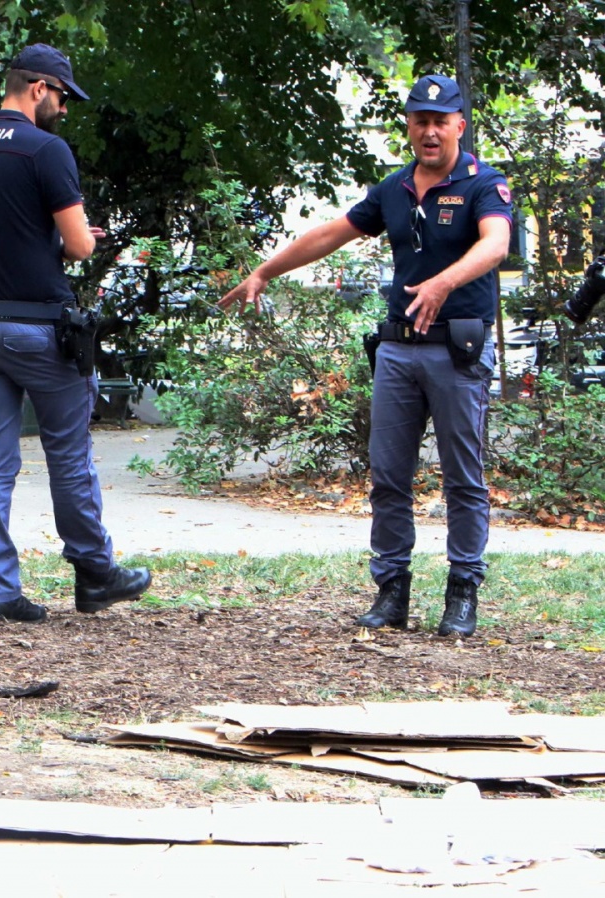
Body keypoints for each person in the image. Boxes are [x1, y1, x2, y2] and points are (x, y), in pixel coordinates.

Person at [219, 74, 513, 637]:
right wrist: (264, 271)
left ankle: (462, 594)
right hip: (399, 353)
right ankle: (392, 592)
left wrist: (442, 284)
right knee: (387, 478)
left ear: (459, 125)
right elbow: (333, 233)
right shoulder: (396, 189)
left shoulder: (483, 184)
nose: (430, 131)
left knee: (463, 481)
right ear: (410, 126)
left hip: (458, 350)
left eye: (440, 121)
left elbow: (495, 244)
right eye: (420, 121)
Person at [0, 43, 151, 624]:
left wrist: (49, 237)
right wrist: (76, 237)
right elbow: (80, 246)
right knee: (69, 453)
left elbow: (0, 234)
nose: (63, 108)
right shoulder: (45, 149)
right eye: (60, 96)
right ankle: (95, 573)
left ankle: (0, 594)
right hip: (36, 331)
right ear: (37, 88)